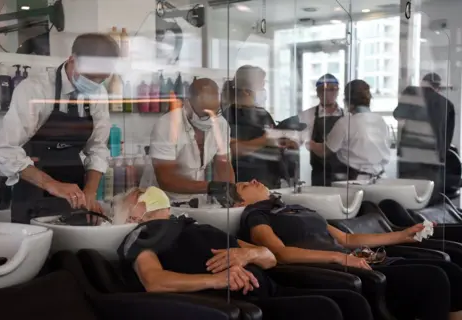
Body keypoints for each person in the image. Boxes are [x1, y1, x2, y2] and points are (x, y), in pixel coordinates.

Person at [115, 186, 373, 320]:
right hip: (241, 304)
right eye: (140, 195)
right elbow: (154, 281)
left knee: (354, 301)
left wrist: (247, 255)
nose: (148, 195)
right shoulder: (142, 235)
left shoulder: (193, 225)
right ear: (130, 212)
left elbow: (270, 257)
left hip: (272, 288)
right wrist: (218, 280)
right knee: (325, 309)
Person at [236, 179, 462, 320]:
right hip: (339, 272)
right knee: (435, 277)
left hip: (360, 261)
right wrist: (338, 258)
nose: (254, 180)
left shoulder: (294, 208)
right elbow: (281, 253)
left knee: (450, 270)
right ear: (239, 204)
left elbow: (345, 237)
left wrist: (402, 235)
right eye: (245, 185)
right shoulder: (256, 216)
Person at [0, 33, 119, 223]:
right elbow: (4, 150)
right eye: (89, 77)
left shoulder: (98, 94)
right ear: (72, 60)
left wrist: (90, 193)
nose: (94, 84)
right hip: (32, 197)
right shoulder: (35, 90)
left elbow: (97, 149)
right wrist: (53, 185)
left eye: (100, 80)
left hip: (75, 199)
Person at [145, 78, 239, 207]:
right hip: (161, 201)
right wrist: (210, 187)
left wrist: (229, 190)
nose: (211, 120)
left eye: (215, 113)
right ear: (187, 104)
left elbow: (223, 164)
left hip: (196, 200)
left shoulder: (221, 124)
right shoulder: (167, 125)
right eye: (205, 115)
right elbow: (166, 178)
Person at [222, 65, 298, 189]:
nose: (264, 90)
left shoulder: (263, 114)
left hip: (271, 182)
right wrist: (265, 140)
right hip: (247, 185)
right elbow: (233, 150)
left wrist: (283, 143)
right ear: (246, 91)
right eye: (261, 86)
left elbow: (270, 142)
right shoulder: (230, 116)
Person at [308, 80, 390, 181]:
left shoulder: (346, 122)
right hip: (381, 178)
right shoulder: (380, 121)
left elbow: (324, 151)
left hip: (357, 181)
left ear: (348, 100)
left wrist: (308, 142)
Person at [394, 73, 456, 203]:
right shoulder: (447, 104)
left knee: (408, 199)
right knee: (430, 199)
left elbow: (397, 114)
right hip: (433, 160)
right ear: (438, 87)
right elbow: (447, 138)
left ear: (422, 83)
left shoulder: (412, 96)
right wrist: (441, 156)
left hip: (409, 158)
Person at [297, 74, 345, 186]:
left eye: (332, 89)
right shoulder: (306, 115)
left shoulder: (347, 115)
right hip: (319, 173)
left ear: (337, 91)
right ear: (317, 92)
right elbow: (298, 139)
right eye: (323, 90)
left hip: (344, 172)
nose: (328, 93)